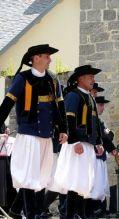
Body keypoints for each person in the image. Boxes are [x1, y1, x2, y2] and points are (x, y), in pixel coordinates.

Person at [0, 44, 68, 219]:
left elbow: (60, 106)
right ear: (35, 58)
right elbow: (7, 104)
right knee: (29, 178)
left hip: (46, 136)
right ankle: (31, 214)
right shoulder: (22, 78)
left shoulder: (53, 79)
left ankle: (30, 212)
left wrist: (63, 129)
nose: (50, 60)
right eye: (47, 56)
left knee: (41, 178)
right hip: (29, 135)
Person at [54, 64, 104, 218]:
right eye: (90, 77)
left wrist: (98, 142)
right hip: (76, 145)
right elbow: (68, 119)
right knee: (74, 184)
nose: (93, 80)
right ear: (80, 79)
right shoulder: (73, 95)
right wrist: (74, 142)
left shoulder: (90, 98)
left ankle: (81, 215)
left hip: (88, 146)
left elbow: (95, 123)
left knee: (84, 185)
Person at [87, 96, 117, 217]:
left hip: (100, 156)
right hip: (93, 156)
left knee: (100, 185)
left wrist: (111, 146)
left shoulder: (100, 122)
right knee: (92, 184)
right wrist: (109, 143)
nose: (102, 107)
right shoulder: (92, 119)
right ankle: (92, 210)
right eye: (100, 105)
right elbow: (104, 137)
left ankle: (100, 209)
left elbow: (108, 136)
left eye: (103, 105)